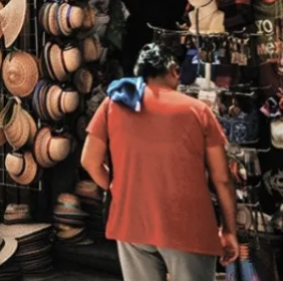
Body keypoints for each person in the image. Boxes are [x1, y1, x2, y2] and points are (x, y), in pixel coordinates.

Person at [81, 42, 238, 281]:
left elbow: (89, 161)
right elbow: (222, 179)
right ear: (174, 71)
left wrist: (117, 189)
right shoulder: (197, 111)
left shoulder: (114, 104)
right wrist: (229, 230)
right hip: (186, 226)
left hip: (132, 224)